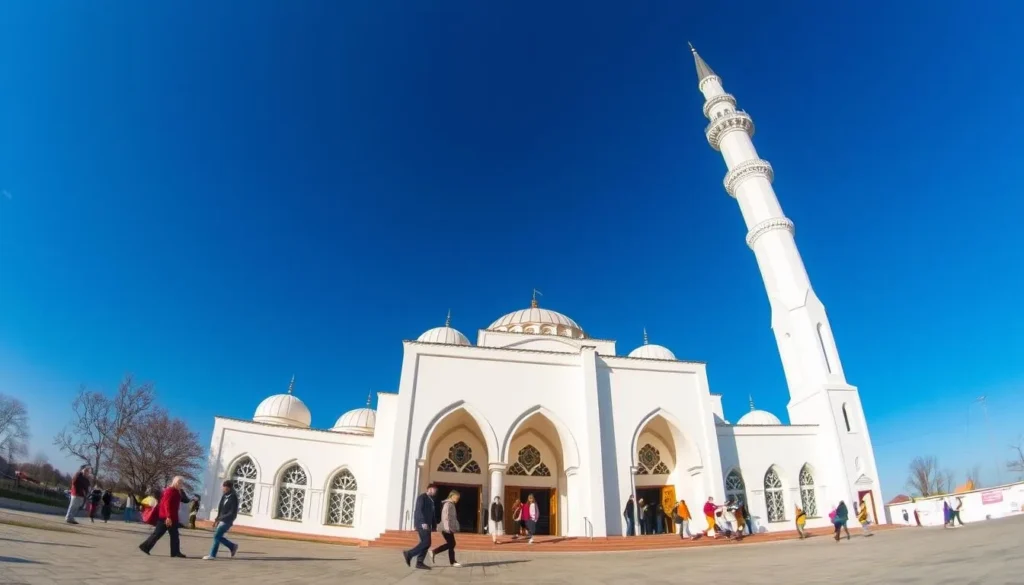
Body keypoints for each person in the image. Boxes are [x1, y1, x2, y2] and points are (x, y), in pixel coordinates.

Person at [139, 476, 186, 558]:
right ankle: (145, 547)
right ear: (175, 482)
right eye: (179, 483)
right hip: (167, 517)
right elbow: (166, 504)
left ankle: (146, 547)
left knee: (170, 535)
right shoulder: (170, 491)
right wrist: (168, 517)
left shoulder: (176, 491)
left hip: (171, 517)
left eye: (181, 483)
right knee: (161, 534)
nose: (181, 485)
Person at [402, 484, 436, 570]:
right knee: (426, 542)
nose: (435, 491)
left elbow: (432, 514)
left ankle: (419, 562)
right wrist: (422, 522)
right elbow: (418, 510)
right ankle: (409, 554)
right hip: (422, 524)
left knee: (427, 543)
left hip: (427, 525)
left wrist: (434, 525)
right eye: (434, 489)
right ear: (430, 489)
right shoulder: (422, 497)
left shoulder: (431, 500)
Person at [203, 480, 239, 560]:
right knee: (217, 536)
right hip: (221, 519)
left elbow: (232, 512)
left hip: (228, 520)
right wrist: (217, 519)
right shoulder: (224, 496)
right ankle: (232, 546)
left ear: (228, 487)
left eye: (223, 487)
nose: (222, 488)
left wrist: (222, 518)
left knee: (216, 536)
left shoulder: (233, 497)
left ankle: (212, 554)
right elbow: (221, 509)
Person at [429, 490, 462, 567]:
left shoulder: (452, 504)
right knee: (452, 544)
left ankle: (434, 552)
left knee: (451, 544)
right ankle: (452, 562)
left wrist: (456, 526)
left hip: (449, 527)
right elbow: (445, 517)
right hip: (446, 528)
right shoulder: (448, 504)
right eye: (457, 498)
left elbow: (453, 517)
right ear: (452, 496)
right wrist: (447, 528)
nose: (457, 500)